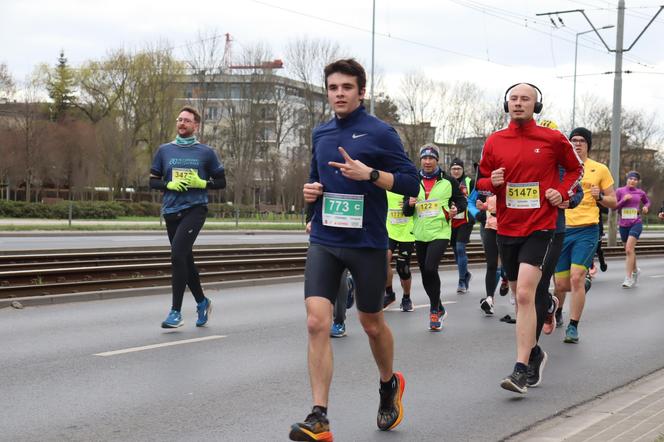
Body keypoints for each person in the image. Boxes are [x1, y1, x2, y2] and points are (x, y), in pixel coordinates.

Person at [290, 58, 419, 442]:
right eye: (333, 88)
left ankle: (388, 385)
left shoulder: (380, 133)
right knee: (316, 321)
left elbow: (412, 184)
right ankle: (319, 417)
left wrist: (371, 176)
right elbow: (316, 180)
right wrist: (310, 199)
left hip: (366, 243)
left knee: (370, 323)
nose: (339, 94)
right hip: (326, 241)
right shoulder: (321, 133)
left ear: (361, 92)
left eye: (347, 87)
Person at [477, 83, 583, 394]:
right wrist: (490, 181)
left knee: (524, 294)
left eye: (526, 99)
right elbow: (481, 181)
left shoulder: (552, 138)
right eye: (514, 99)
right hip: (507, 228)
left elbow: (576, 170)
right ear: (506, 104)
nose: (519, 103)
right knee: (516, 290)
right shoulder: (495, 141)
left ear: (536, 105)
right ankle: (535, 352)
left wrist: (561, 193)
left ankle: (520, 368)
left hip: (542, 226)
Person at [149, 106, 226, 328]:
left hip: (195, 209)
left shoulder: (206, 152)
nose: (182, 123)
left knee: (177, 255)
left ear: (196, 126)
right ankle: (202, 302)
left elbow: (221, 182)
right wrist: (168, 184)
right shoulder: (164, 151)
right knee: (185, 259)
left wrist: (202, 183)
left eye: (187, 120)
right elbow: (153, 180)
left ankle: (175, 312)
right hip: (171, 211)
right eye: (179, 119)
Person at [553, 127, 616, 344]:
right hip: (561, 229)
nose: (577, 144)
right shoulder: (560, 168)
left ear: (588, 145)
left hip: (587, 230)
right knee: (561, 285)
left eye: (581, 141)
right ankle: (558, 309)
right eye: (573, 140)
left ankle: (573, 326)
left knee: (576, 277)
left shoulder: (599, 169)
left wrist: (600, 198)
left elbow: (614, 201)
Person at [403, 144, 466, 331]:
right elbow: (406, 211)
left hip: (440, 231)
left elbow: (462, 200)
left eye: (431, 158)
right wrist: (410, 204)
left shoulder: (448, 180)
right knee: (425, 273)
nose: (428, 162)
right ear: (420, 160)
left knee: (431, 268)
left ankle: (433, 311)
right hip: (420, 233)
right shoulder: (412, 181)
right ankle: (438, 305)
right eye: (424, 158)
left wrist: (457, 209)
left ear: (437, 160)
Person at [615, 170, 650, 288]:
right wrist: (623, 200)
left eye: (635, 179)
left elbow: (647, 202)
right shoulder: (620, 191)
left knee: (629, 249)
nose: (632, 181)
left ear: (637, 181)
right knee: (629, 250)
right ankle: (635, 270)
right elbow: (614, 207)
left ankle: (628, 278)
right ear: (627, 179)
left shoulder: (640, 192)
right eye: (631, 178)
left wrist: (645, 207)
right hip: (623, 224)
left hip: (636, 222)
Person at [383, 190, 415, 311]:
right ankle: (389, 293)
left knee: (402, 267)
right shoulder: (384, 187)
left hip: (407, 232)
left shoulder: (410, 188)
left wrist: (411, 204)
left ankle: (406, 298)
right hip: (389, 231)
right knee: (383, 260)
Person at [449, 158, 475, 294]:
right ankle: (465, 274)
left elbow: (477, 198)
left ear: (463, 170)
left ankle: (461, 281)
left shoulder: (470, 182)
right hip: (451, 221)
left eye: (458, 168)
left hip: (465, 220)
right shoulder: (446, 182)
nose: (456, 171)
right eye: (453, 169)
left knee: (460, 248)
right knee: (455, 251)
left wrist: (474, 214)